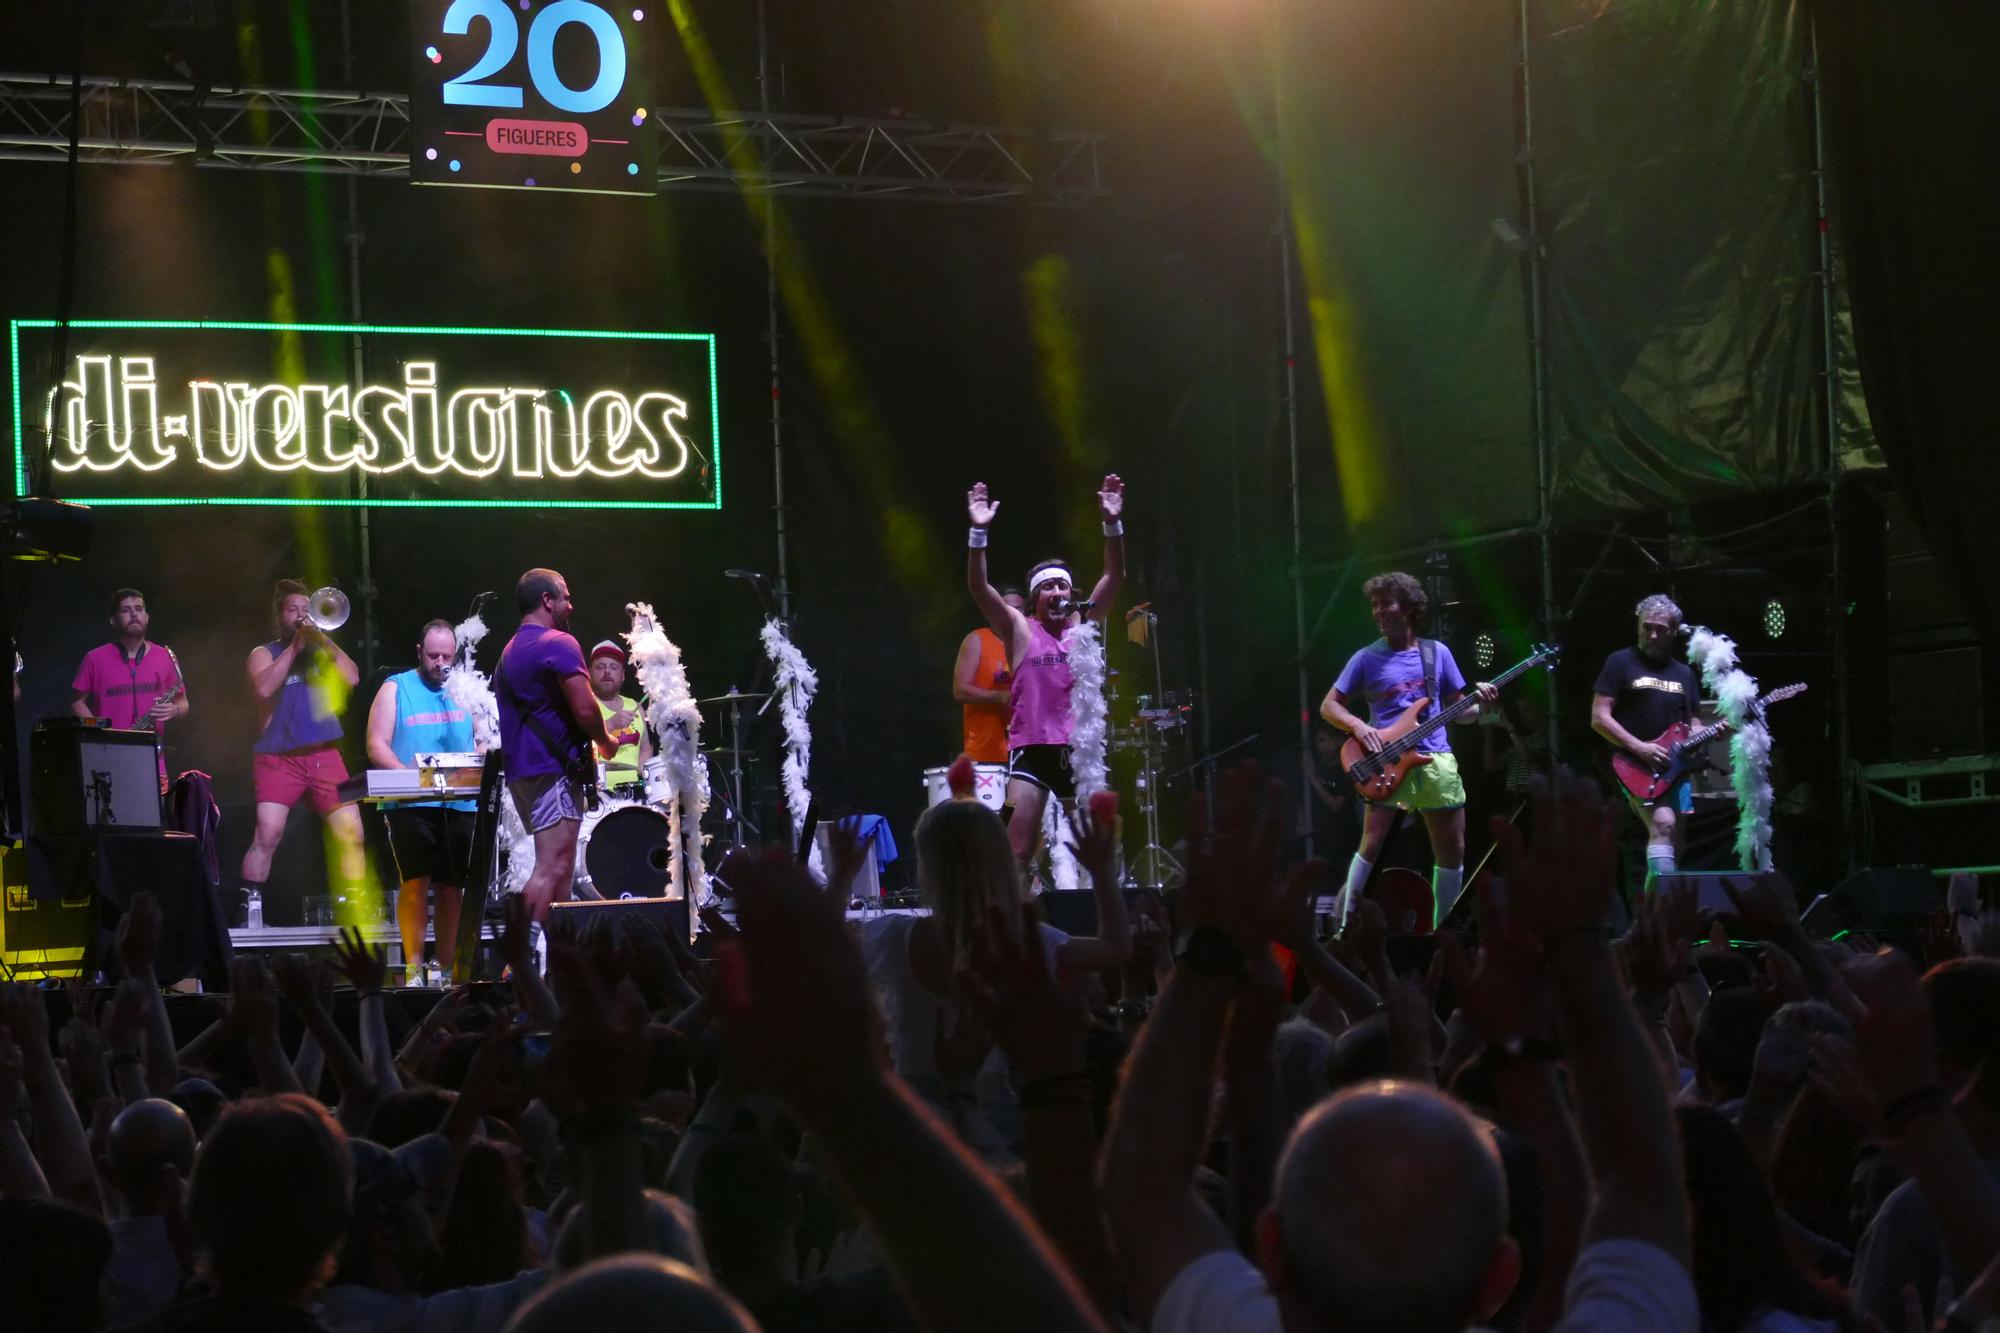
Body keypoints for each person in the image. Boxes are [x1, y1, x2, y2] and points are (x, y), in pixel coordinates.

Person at [1319, 571, 1496, 928]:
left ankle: (1442, 931)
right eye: (1375, 605)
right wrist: (1358, 725)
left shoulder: (1437, 654)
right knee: (1372, 844)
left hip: (1434, 758)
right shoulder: (1366, 658)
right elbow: (1329, 706)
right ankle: (1344, 926)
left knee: (1452, 850)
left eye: (1387, 604)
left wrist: (1486, 706)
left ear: (1410, 608)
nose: (1378, 612)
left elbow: (1462, 712)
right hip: (1384, 759)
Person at [965, 475, 1126, 865]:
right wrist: (978, 533)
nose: (1057, 593)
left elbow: (1115, 578)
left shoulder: (1083, 623)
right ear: (1035, 597)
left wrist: (1112, 525)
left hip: (1078, 752)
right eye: (1048, 587)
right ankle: (1013, 920)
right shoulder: (1020, 629)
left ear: (1072, 593)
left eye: (1063, 586)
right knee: (1016, 851)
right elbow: (979, 589)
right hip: (1032, 750)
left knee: (1100, 853)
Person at [241, 579, 366, 923]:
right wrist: (295, 648)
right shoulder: (264, 653)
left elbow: (353, 678)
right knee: (268, 833)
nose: (300, 616)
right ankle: (251, 907)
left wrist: (321, 638)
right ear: (279, 616)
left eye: (305, 609)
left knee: (352, 832)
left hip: (324, 754)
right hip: (278, 758)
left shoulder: (322, 650)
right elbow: (264, 688)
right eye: (292, 610)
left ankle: (354, 910)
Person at [497, 569, 615, 924]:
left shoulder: (509, 651)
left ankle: (557, 964)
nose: (570, 603)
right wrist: (606, 742)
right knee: (553, 867)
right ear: (547, 601)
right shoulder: (559, 643)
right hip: (553, 771)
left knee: (561, 877)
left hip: (526, 772)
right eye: (565, 596)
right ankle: (518, 959)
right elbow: (584, 708)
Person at [366, 619, 479, 982]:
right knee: (415, 881)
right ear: (419, 652)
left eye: (447, 656)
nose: (440, 663)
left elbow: (485, 738)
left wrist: (476, 764)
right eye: (433, 655)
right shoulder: (395, 688)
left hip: (459, 802)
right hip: (411, 803)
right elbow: (376, 744)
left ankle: (447, 968)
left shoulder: (466, 690)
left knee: (451, 886)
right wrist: (410, 778)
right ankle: (415, 967)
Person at [1591, 594, 1701, 885]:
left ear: (1674, 631)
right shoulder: (1620, 662)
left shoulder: (1685, 674)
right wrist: (1640, 748)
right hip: (1635, 764)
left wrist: (1712, 732)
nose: (1651, 634)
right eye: (1645, 627)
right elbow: (1599, 718)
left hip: (1676, 769)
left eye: (1660, 629)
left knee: (1674, 844)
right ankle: (1659, 915)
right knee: (1663, 824)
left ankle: (1654, 918)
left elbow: (1693, 723)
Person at [71, 586, 188, 792]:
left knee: (154, 821)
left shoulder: (165, 656)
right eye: (125, 610)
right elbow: (76, 702)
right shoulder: (94, 658)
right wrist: (97, 732)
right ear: (113, 620)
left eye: (139, 609)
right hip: (109, 755)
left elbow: (183, 701)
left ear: (147, 617)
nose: (134, 614)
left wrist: (175, 710)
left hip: (153, 757)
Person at [952, 587, 1024, 766]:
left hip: (1028, 749)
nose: (1012, 615)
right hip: (986, 753)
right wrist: (998, 696)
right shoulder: (977, 639)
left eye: (1018, 609)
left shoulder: (1033, 642)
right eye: (1005, 609)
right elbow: (960, 690)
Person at [587, 640, 651, 795]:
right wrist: (609, 724)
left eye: (613, 667)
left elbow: (645, 748)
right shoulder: (584, 706)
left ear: (622, 675)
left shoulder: (636, 706)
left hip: (636, 792)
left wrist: (642, 775)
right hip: (598, 795)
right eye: (600, 667)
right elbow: (576, 749)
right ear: (589, 673)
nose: (607, 671)